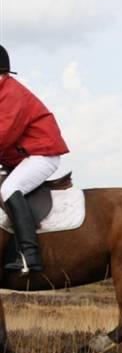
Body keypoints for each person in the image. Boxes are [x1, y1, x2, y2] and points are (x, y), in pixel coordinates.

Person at [0, 44, 69, 273]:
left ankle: (30, 255)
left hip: (42, 154)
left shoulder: (12, 94)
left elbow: (3, 135)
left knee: (9, 188)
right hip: (22, 156)